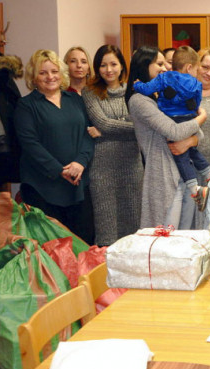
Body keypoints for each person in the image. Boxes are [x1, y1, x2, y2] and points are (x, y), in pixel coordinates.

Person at [15, 49, 95, 243]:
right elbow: (30, 144)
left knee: (83, 242)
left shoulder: (76, 100)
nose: (50, 77)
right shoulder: (26, 105)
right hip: (43, 188)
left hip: (78, 183)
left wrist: (80, 163)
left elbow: (89, 134)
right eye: (43, 73)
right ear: (34, 77)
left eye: (54, 71)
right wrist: (60, 170)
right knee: (51, 247)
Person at [127, 46, 206, 230]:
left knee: (184, 236)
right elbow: (174, 131)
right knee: (165, 237)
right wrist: (202, 117)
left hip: (185, 175)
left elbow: (197, 133)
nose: (166, 68)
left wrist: (190, 141)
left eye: (166, 64)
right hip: (164, 177)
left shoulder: (162, 97)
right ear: (145, 65)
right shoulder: (139, 101)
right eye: (160, 64)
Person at [81, 44, 142, 246]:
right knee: (106, 229)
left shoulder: (134, 91)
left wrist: (105, 132)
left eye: (113, 64)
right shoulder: (90, 92)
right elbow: (103, 123)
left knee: (134, 225)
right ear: (97, 68)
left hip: (132, 166)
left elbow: (142, 126)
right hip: (103, 169)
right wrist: (127, 124)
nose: (109, 70)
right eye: (103, 65)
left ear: (122, 66)